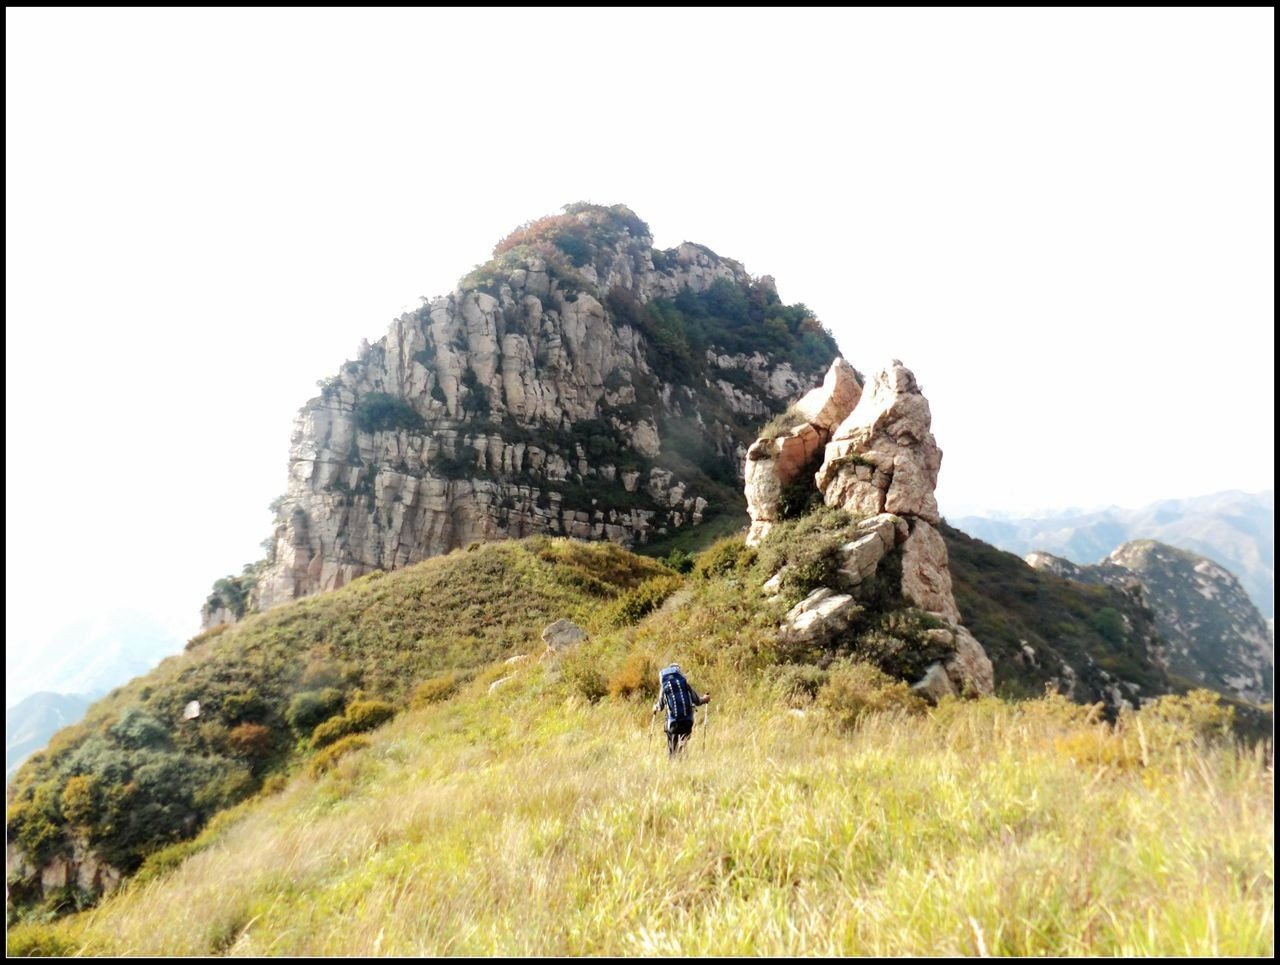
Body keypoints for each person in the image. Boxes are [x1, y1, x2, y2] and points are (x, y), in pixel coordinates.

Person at [652, 662, 710, 756]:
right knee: (683, 744)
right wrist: (705, 699)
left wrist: (655, 707)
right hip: (687, 721)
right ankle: (684, 761)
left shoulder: (665, 686)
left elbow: (660, 706)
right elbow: (697, 701)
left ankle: (673, 763)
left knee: (672, 748)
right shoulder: (684, 684)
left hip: (673, 723)